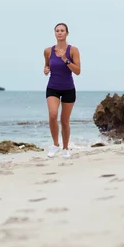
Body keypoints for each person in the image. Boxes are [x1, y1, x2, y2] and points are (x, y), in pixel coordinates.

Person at [43, 23, 81, 159]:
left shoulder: (73, 50)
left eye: (62, 31)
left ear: (67, 33)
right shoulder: (48, 51)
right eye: (57, 31)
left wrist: (65, 60)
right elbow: (47, 66)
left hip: (68, 89)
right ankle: (55, 144)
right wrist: (46, 70)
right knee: (53, 115)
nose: (59, 33)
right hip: (52, 87)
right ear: (55, 33)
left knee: (64, 120)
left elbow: (77, 71)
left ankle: (65, 148)